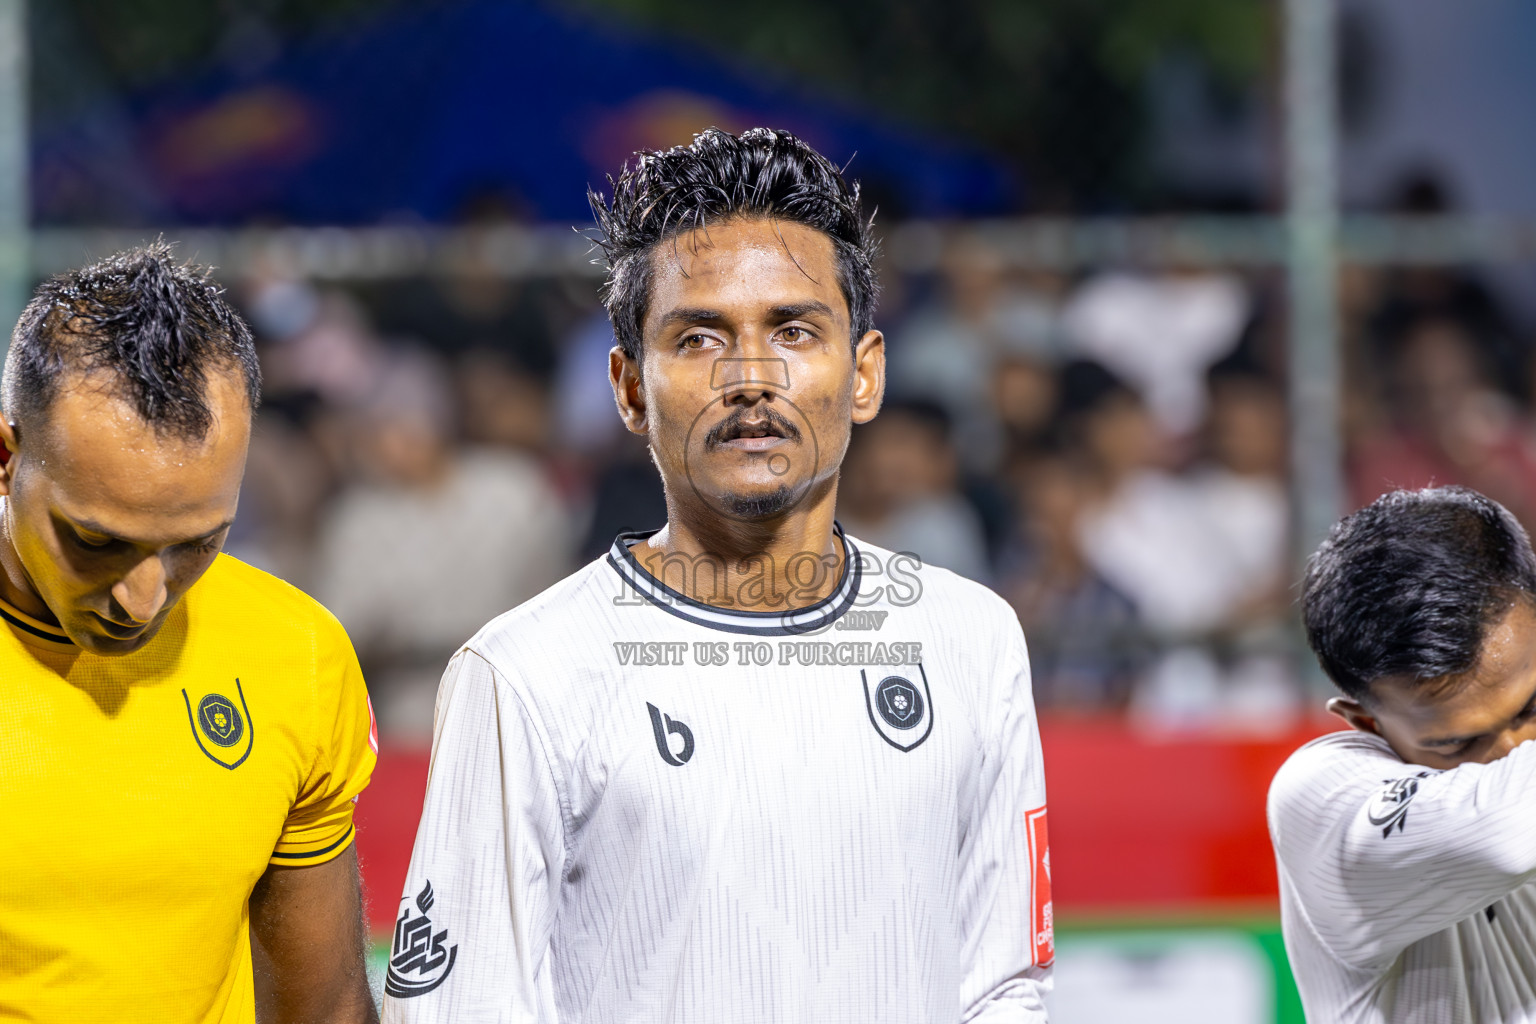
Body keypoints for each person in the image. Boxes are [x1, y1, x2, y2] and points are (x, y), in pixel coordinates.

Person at [384, 127, 1052, 1023]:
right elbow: (455, 1009)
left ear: (863, 374)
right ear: (628, 389)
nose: (749, 377)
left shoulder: (971, 637)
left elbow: (1005, 984)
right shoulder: (524, 674)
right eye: (699, 337)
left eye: (793, 330)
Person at [0, 244, 378, 1024]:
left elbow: (324, 1011)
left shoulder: (295, 652)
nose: (144, 599)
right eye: (97, 542)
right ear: (7, 460)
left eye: (196, 543)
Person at [1270, 486, 1536, 1023]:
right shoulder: (1320, 794)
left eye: (1532, 707)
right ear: (1366, 721)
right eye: (1460, 743)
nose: (1515, 751)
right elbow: (1508, 835)